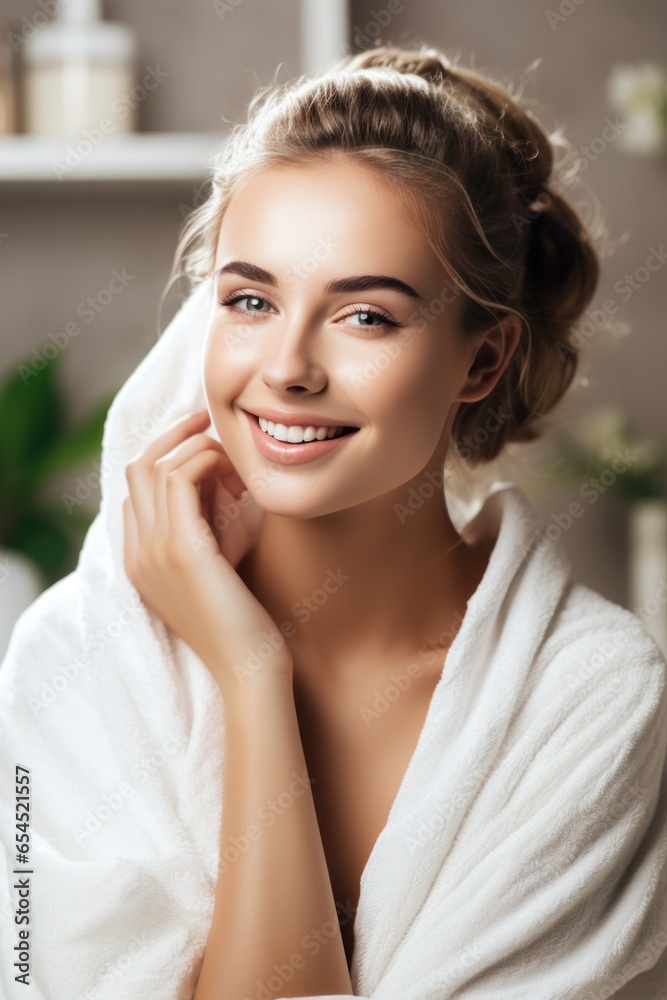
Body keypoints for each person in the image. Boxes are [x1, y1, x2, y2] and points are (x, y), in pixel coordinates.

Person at [1, 43, 666, 1000]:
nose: (287, 367)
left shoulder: (587, 696)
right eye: (250, 300)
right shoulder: (70, 659)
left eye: (365, 317)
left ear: (481, 362)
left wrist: (250, 671)